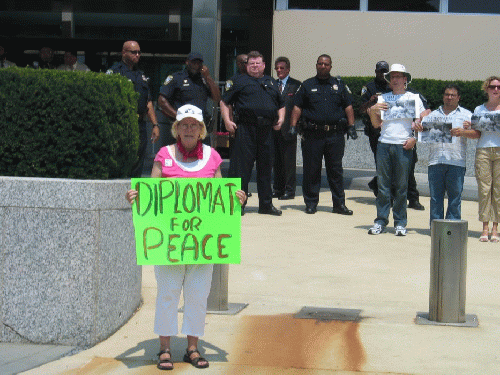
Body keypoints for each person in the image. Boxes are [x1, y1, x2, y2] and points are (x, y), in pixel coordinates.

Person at [126, 104, 246, 370]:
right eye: (184, 124)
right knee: (167, 294)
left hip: (202, 245)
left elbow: (218, 197)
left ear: (201, 130)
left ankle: (192, 347)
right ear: (176, 128)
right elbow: (153, 194)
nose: (189, 129)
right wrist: (137, 197)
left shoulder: (213, 157)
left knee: (197, 295)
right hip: (169, 244)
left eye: (194, 125)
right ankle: (164, 348)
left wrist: (236, 198)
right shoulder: (164, 155)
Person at [367, 64, 430, 236]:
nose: (395, 80)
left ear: (405, 80)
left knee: (402, 186)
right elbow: (376, 124)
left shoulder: (414, 98)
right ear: (389, 80)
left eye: (398, 76)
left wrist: (414, 138)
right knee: (383, 186)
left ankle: (400, 223)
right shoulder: (383, 98)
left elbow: (425, 119)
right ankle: (380, 221)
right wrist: (372, 111)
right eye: (392, 77)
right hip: (384, 144)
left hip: (403, 145)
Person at [290, 54, 357, 215]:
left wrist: (352, 126)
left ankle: (339, 204)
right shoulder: (307, 85)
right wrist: (293, 125)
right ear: (316, 65)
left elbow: (348, 106)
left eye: (326, 64)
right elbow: (297, 107)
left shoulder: (339, 85)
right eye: (320, 63)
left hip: (335, 135)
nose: (323, 66)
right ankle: (311, 203)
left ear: (331, 66)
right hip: (312, 134)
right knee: (311, 170)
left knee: (335, 170)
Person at [220, 50, 285, 216]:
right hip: (246, 129)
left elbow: (281, 104)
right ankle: (238, 204)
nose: (255, 66)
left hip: (267, 130)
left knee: (265, 168)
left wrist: (281, 119)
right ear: (246, 66)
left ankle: (266, 205)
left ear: (263, 65)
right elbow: (224, 101)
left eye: (258, 63)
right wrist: (227, 121)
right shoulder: (237, 81)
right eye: (252, 63)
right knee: (242, 168)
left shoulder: (271, 82)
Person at [107, 40, 159, 177]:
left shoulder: (141, 75)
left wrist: (155, 124)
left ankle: (134, 194)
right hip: (122, 124)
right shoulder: (114, 72)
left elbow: (148, 102)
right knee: (120, 160)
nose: (137, 55)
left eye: (139, 52)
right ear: (124, 52)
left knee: (138, 161)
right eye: (133, 52)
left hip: (140, 124)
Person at [422, 84, 472, 225]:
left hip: (456, 161)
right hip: (435, 161)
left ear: (458, 97)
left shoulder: (467, 115)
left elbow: (477, 134)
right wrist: (418, 128)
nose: (449, 97)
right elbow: (421, 133)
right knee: (435, 198)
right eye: (447, 94)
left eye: (453, 95)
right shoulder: (432, 116)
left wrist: (464, 131)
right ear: (443, 96)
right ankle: (436, 229)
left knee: (455, 199)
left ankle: (452, 229)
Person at [463, 76, 500, 242]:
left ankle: (495, 228)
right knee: (484, 190)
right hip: (483, 150)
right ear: (487, 89)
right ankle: (484, 227)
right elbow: (477, 133)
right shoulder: (479, 109)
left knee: (498, 191)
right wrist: (468, 126)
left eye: (499, 87)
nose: (496, 90)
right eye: (492, 87)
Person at [158, 52, 221, 145]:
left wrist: (208, 77)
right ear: (187, 62)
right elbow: (162, 100)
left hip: (200, 126)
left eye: (199, 63)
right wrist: (178, 115)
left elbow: (217, 98)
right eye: (193, 62)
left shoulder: (203, 80)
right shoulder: (176, 78)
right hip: (182, 126)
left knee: (203, 156)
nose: (196, 65)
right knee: (180, 155)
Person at [272, 56, 301, 200]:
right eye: (277, 68)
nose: (279, 71)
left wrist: (296, 127)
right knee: (276, 162)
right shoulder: (271, 84)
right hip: (274, 129)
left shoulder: (296, 85)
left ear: (288, 69)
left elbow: (299, 107)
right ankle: (277, 189)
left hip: (289, 129)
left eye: (282, 68)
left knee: (288, 162)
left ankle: (290, 191)